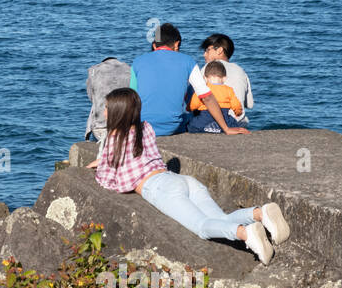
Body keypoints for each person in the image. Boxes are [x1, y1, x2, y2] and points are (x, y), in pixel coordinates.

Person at [85, 88, 288, 264]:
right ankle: (258, 214)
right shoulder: (145, 128)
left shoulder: (114, 138)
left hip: (159, 188)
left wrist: (101, 166)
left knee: (202, 227)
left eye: (107, 108)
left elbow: (110, 180)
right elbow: (135, 154)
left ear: (117, 112)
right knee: (220, 218)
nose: (103, 111)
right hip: (180, 180)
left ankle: (246, 233)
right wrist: (106, 160)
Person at [130, 23, 247, 136]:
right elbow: (206, 97)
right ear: (176, 44)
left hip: (142, 126)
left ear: (155, 44)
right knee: (191, 103)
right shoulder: (188, 61)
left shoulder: (137, 62)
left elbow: (131, 99)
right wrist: (226, 128)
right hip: (171, 127)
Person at [194, 33, 253, 127]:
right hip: (237, 123)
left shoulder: (207, 68)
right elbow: (250, 104)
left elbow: (197, 98)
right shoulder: (241, 71)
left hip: (211, 122)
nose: (204, 54)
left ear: (220, 50)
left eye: (207, 50)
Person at [187, 60, 244, 134]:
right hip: (224, 118)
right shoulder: (229, 90)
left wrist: (188, 108)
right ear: (224, 78)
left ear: (205, 78)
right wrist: (238, 113)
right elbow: (236, 105)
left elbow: (194, 103)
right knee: (234, 124)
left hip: (204, 118)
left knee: (192, 125)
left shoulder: (203, 89)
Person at [85, 56, 133, 141]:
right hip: (125, 124)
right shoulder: (129, 69)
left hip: (101, 125)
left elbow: (91, 97)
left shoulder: (94, 70)